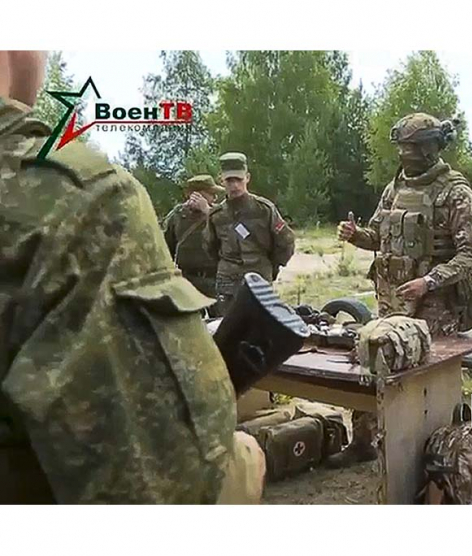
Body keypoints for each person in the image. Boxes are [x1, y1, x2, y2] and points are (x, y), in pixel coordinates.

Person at [0, 50, 264, 504]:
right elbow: (172, 498)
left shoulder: (261, 212)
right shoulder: (82, 204)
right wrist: (239, 466)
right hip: (212, 287)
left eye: (231, 182)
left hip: (247, 285)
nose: (225, 189)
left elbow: (283, 245)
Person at [331, 113, 472, 467]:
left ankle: (436, 456)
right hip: (391, 299)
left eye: (413, 147)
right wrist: (356, 235)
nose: (406, 154)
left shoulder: (455, 191)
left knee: (427, 383)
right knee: (372, 363)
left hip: (435, 305)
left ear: (432, 147)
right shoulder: (395, 188)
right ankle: (363, 442)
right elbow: (378, 237)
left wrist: (430, 281)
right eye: (402, 147)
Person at [204, 152, 295, 316]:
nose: (235, 185)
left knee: (260, 329)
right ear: (221, 180)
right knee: (227, 329)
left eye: (238, 179)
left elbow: (286, 242)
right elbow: (210, 247)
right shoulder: (216, 215)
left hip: (259, 277)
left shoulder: (264, 209)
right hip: (227, 283)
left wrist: (272, 266)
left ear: (247, 178)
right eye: (229, 180)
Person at [162, 174, 225, 299]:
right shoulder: (177, 216)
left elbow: (228, 236)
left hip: (214, 279)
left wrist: (208, 211)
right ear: (196, 194)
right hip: (187, 280)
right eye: (211, 193)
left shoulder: (219, 213)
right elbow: (165, 248)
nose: (215, 197)